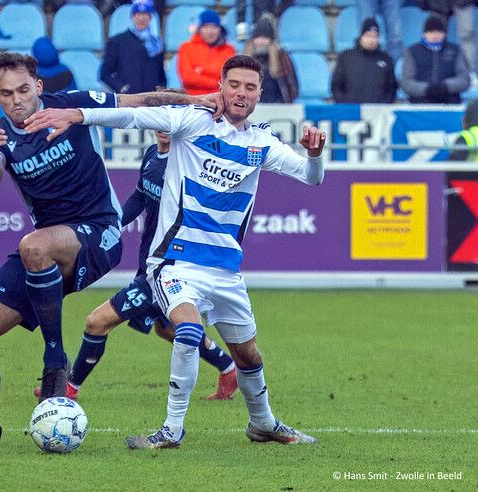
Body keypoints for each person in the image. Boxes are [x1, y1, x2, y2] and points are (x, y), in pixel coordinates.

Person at [24, 54, 326, 449]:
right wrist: (77, 116)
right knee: (186, 329)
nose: (241, 93)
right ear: (221, 84)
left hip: (226, 270)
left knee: (248, 356)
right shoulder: (192, 120)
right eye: (234, 84)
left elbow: (310, 177)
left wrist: (315, 154)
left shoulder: (261, 142)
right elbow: (133, 118)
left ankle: (263, 424)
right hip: (175, 261)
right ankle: (171, 430)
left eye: (250, 87)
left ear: (258, 95)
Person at [0, 51, 222, 446]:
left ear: (38, 87)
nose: (16, 99)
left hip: (99, 232)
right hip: (49, 250)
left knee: (33, 245)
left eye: (23, 89)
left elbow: (137, 101)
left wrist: (196, 101)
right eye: (6, 93)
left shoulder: (69, 105)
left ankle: (55, 360)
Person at [34, 128, 239, 402]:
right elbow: (140, 197)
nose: (166, 130)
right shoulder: (153, 155)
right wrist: (111, 222)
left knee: (97, 322)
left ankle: (70, 389)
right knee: (167, 328)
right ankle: (228, 368)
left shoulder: (189, 164)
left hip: (170, 266)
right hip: (150, 264)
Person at [100, 0, 166, 94]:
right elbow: (104, 73)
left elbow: (161, 74)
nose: (141, 18)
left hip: (151, 100)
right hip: (128, 100)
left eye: (145, 14)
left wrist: (161, 88)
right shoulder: (117, 41)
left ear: (150, 17)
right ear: (132, 17)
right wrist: (120, 87)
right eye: (137, 14)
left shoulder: (157, 44)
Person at [400, 15, 470, 104]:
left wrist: (445, 87)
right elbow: (406, 83)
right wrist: (428, 89)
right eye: (431, 32)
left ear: (444, 33)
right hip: (419, 105)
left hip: (450, 103)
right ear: (424, 34)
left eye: (439, 32)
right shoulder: (412, 51)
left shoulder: (455, 50)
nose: (435, 35)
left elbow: (465, 79)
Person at [331, 18, 397, 104]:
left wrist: (383, 105)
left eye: (375, 36)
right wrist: (345, 105)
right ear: (361, 36)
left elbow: (392, 88)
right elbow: (336, 85)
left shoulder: (386, 59)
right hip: (352, 113)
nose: (371, 40)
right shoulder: (346, 56)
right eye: (368, 35)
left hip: (378, 113)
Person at [177, 10, 236, 95]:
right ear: (199, 29)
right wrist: (217, 81)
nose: (210, 31)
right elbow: (187, 78)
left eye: (214, 27)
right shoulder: (185, 48)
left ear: (220, 29)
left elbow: (230, 80)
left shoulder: (229, 50)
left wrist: (201, 72)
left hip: (220, 101)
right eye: (205, 27)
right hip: (193, 101)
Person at [243, 15, 298, 103]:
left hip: (277, 107)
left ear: (271, 40)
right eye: (257, 38)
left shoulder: (282, 58)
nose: (260, 42)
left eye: (265, 38)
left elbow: (292, 87)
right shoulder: (243, 60)